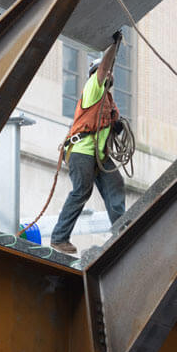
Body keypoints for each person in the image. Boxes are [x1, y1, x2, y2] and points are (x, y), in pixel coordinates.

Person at [49, 30, 127, 255]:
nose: (109, 77)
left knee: (114, 184)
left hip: (100, 155)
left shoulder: (108, 102)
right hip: (82, 150)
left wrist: (116, 126)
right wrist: (113, 46)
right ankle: (60, 237)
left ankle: (122, 231)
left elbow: (106, 129)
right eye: (106, 73)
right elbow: (104, 68)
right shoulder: (93, 88)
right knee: (82, 190)